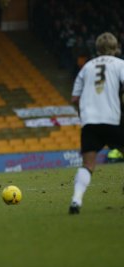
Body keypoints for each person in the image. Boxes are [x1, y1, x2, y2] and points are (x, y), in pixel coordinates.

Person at [69, 32, 124, 215]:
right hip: (113, 119)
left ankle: (76, 200)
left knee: (88, 165)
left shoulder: (86, 67)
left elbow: (75, 98)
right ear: (115, 48)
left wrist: (83, 115)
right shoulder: (120, 65)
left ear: (97, 48)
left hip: (90, 121)